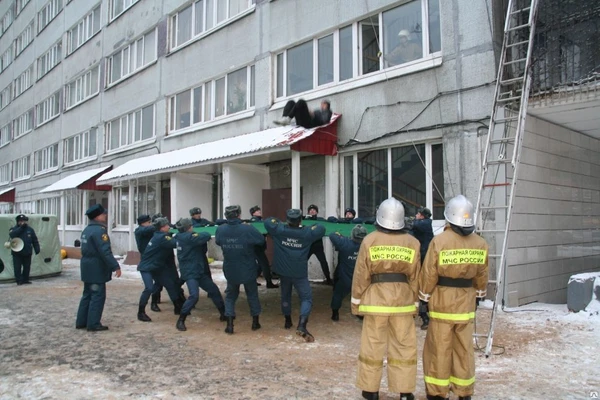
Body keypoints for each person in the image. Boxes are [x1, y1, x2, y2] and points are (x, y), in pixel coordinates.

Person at [420, 195, 489, 400]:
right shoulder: (480, 243)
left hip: (442, 300)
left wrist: (424, 297)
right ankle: (464, 391)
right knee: (464, 348)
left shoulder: (439, 241)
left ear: (449, 216)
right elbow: (483, 274)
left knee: (439, 348)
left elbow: (429, 273)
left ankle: (437, 392)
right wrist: (478, 294)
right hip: (466, 301)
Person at [351, 198, 421, 400]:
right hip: (403, 301)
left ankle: (371, 390)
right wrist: (415, 304)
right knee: (404, 347)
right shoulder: (413, 242)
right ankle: (405, 391)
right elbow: (416, 276)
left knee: (372, 346)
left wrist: (356, 303)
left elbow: (361, 274)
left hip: (375, 302)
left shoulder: (369, 240)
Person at [265, 209, 326, 342]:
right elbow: (321, 228)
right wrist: (308, 226)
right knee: (306, 298)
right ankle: (302, 324)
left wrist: (280, 223)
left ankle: (287, 321)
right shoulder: (307, 233)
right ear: (300, 220)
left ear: (287, 220)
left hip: (284, 272)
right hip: (299, 272)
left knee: (285, 295)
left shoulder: (279, 230)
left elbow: (268, 221)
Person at [216, 205, 266, 334]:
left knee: (231, 296)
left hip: (230, 267)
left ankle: (230, 324)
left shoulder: (221, 229)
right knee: (252, 295)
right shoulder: (247, 228)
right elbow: (260, 240)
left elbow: (218, 242)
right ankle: (255, 322)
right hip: (247, 266)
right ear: (239, 215)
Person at [75, 204, 121, 331]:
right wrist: (115, 266)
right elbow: (105, 251)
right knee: (97, 295)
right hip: (96, 268)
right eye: (103, 214)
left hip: (87, 266)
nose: (105, 216)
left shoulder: (87, 230)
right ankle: (93, 323)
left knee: (87, 295)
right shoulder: (99, 231)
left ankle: (81, 321)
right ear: (97, 216)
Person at [175, 218, 226, 331]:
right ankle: (181, 320)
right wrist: (201, 232)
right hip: (191, 272)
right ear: (188, 227)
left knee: (213, 290)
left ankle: (223, 314)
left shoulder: (180, 236)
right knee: (194, 296)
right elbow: (206, 235)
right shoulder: (188, 237)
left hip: (197, 270)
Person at [136, 217, 184, 322]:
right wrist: (183, 235)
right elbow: (175, 243)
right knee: (149, 288)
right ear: (161, 228)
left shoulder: (159, 235)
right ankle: (141, 312)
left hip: (156, 267)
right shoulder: (162, 237)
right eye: (166, 225)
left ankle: (177, 307)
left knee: (170, 284)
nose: (168, 227)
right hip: (147, 267)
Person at [329, 225, 367, 321]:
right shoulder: (368, 246)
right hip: (361, 279)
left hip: (345, 278)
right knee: (361, 296)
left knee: (338, 295)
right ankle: (360, 314)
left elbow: (332, 235)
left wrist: (341, 236)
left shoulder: (345, 243)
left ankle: (335, 314)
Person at [412, 207, 434, 330]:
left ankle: (425, 316)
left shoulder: (425, 224)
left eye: (418, 214)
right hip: (423, 259)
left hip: (424, 260)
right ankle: (424, 314)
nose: (416, 215)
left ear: (422, 216)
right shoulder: (422, 224)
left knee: (421, 288)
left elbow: (412, 225)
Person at [135, 214, 162, 312]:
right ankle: (141, 311)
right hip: (146, 261)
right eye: (148, 222)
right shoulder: (140, 231)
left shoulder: (149, 230)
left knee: (159, 282)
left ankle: (154, 302)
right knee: (149, 287)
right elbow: (148, 230)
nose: (150, 224)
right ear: (143, 223)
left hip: (155, 260)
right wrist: (157, 224)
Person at [249, 206, 278, 289]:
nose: (259, 211)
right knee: (264, 264)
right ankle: (269, 283)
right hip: (256, 247)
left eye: (259, 210)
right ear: (253, 213)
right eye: (257, 211)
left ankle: (252, 281)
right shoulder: (255, 221)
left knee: (260, 265)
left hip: (259, 246)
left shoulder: (260, 220)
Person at [304, 204, 333, 285]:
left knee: (323, 262)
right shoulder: (305, 220)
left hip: (318, 245)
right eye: (310, 210)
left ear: (317, 212)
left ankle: (328, 279)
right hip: (308, 245)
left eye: (314, 210)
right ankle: (302, 279)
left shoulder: (321, 220)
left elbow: (328, 224)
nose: (312, 211)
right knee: (302, 262)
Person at [8, 214, 40, 285]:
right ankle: (19, 280)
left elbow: (34, 240)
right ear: (18, 221)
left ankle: (25, 279)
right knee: (17, 267)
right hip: (17, 253)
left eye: (24, 221)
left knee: (27, 267)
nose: (23, 222)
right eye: (21, 221)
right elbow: (12, 235)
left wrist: (37, 248)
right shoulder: (13, 229)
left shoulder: (30, 229)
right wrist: (21, 228)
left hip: (27, 251)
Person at [190, 207, 213, 278]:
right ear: (192, 215)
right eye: (196, 214)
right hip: (195, 248)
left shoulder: (203, 220)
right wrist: (201, 226)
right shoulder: (190, 222)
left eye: (199, 213)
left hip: (203, 247)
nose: (198, 215)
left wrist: (210, 224)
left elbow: (210, 223)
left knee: (205, 268)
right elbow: (193, 228)